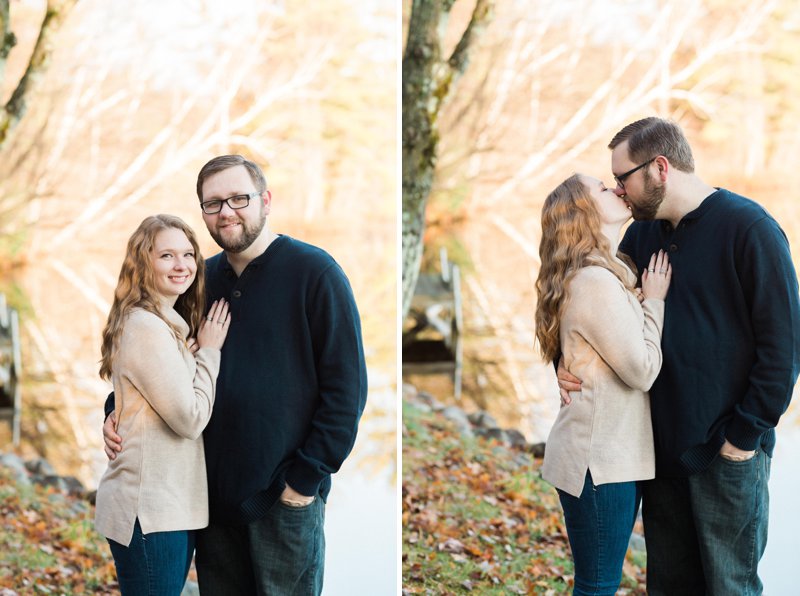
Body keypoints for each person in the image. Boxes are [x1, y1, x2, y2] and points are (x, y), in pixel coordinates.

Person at [103, 155, 368, 595]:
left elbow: (347, 392)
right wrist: (115, 410)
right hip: (211, 502)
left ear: (265, 200)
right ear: (203, 212)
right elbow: (154, 359)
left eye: (239, 198)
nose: (226, 211)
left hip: (283, 499)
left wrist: (303, 482)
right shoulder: (198, 280)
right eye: (213, 203)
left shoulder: (314, 273)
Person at [558, 117, 800, 595]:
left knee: (729, 586)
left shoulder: (749, 229)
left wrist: (743, 437)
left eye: (623, 178)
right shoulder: (641, 238)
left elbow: (784, 348)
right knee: (670, 587)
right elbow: (590, 309)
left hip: (726, 453)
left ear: (660, 168)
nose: (620, 192)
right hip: (658, 452)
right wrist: (564, 364)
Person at [535, 173, 671, 595]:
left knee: (599, 584)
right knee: (597, 586)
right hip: (599, 463)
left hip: (609, 457)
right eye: (601, 188)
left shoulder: (603, 273)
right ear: (583, 213)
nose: (615, 189)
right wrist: (656, 304)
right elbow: (642, 370)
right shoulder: (594, 283)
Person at [94, 214, 231, 594]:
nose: (182, 265)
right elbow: (189, 419)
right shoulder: (146, 328)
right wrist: (211, 353)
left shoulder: (164, 325)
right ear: (143, 263)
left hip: (169, 506)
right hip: (151, 511)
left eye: (188, 254)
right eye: (166, 255)